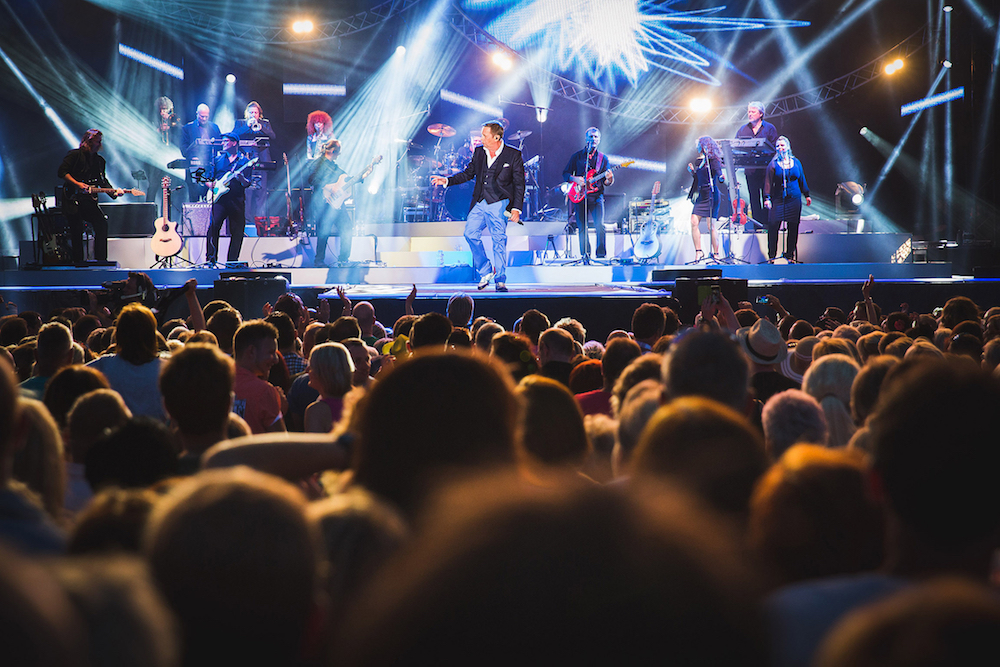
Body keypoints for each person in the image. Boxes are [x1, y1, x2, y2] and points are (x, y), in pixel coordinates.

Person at [431, 121, 524, 293]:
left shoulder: (513, 154)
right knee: (470, 233)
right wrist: (448, 181)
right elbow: (468, 173)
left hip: (499, 201)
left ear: (496, 137)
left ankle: (500, 280)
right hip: (481, 202)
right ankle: (486, 271)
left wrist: (516, 208)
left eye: (484, 135)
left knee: (498, 240)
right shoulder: (479, 152)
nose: (480, 139)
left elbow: (519, 184)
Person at [57, 129, 124, 263]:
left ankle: (101, 260)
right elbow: (62, 172)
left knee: (101, 224)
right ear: (89, 141)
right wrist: (77, 184)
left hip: (89, 201)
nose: (99, 143)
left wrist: (114, 193)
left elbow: (102, 181)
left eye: (100, 141)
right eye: (97, 140)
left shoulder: (100, 161)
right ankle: (78, 262)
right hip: (73, 199)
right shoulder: (74, 155)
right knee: (76, 229)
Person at [562, 127, 614, 260]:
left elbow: (607, 182)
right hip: (580, 196)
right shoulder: (577, 156)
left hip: (597, 196)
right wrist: (576, 179)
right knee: (582, 227)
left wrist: (610, 179)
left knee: (600, 226)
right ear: (586, 139)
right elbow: (565, 174)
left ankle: (601, 255)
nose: (593, 139)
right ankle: (585, 254)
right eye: (591, 137)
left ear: (599, 140)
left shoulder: (603, 158)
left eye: (596, 137)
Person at [205, 133, 251, 265]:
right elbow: (208, 179)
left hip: (236, 200)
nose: (223, 143)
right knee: (213, 228)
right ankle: (211, 260)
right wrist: (211, 185)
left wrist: (241, 178)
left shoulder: (244, 162)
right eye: (223, 141)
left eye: (226, 141)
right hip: (220, 200)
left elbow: (247, 183)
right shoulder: (217, 160)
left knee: (237, 232)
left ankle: (232, 262)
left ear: (234, 143)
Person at [232, 319, 285, 434]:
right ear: (251, 351)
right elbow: (281, 444)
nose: (276, 360)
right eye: (271, 353)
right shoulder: (264, 391)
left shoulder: (216, 383)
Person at [763, 135, 811, 263]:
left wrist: (806, 194)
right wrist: (767, 198)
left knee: (793, 227)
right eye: (778, 146)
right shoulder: (773, 164)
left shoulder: (796, 162)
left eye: (782, 145)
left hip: (794, 198)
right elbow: (768, 182)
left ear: (788, 147)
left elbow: (802, 179)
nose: (780, 148)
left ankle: (790, 255)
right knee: (773, 226)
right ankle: (772, 256)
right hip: (778, 199)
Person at [308, 138, 352, 267]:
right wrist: (327, 187)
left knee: (347, 228)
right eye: (338, 152)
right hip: (323, 203)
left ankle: (343, 259)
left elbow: (346, 179)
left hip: (337, 205)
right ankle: (319, 260)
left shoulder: (335, 167)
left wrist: (362, 176)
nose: (339, 155)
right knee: (324, 231)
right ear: (333, 151)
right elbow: (311, 180)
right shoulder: (317, 163)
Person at [735, 100, 779, 228]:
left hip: (766, 170)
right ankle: (757, 226)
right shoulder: (743, 129)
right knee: (754, 198)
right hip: (751, 170)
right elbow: (737, 147)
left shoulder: (769, 128)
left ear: (760, 114)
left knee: (767, 197)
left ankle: (768, 225)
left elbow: (774, 148)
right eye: (748, 112)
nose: (750, 114)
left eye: (753, 112)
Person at [234, 101, 276, 223]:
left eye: (256, 113)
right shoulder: (240, 123)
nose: (253, 115)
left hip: (262, 160)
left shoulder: (265, 123)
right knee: (248, 191)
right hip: (246, 160)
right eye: (251, 112)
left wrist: (261, 127)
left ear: (259, 114)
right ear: (247, 113)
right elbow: (234, 135)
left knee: (261, 191)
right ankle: (246, 220)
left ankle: (260, 220)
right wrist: (247, 126)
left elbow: (273, 136)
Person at [686, 135, 725, 262]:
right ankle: (699, 252)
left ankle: (716, 254)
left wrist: (721, 177)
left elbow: (719, 173)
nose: (696, 146)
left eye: (698, 144)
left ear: (704, 145)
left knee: (711, 225)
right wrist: (693, 172)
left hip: (711, 194)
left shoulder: (713, 160)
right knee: (693, 221)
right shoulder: (700, 161)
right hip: (702, 194)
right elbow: (699, 179)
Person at [180, 103, 221, 202]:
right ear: (197, 114)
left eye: (206, 116)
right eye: (202, 116)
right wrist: (191, 157)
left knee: (209, 196)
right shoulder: (187, 128)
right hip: (195, 165)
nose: (204, 118)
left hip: (210, 166)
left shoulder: (214, 127)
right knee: (194, 196)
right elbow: (183, 147)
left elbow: (220, 145)